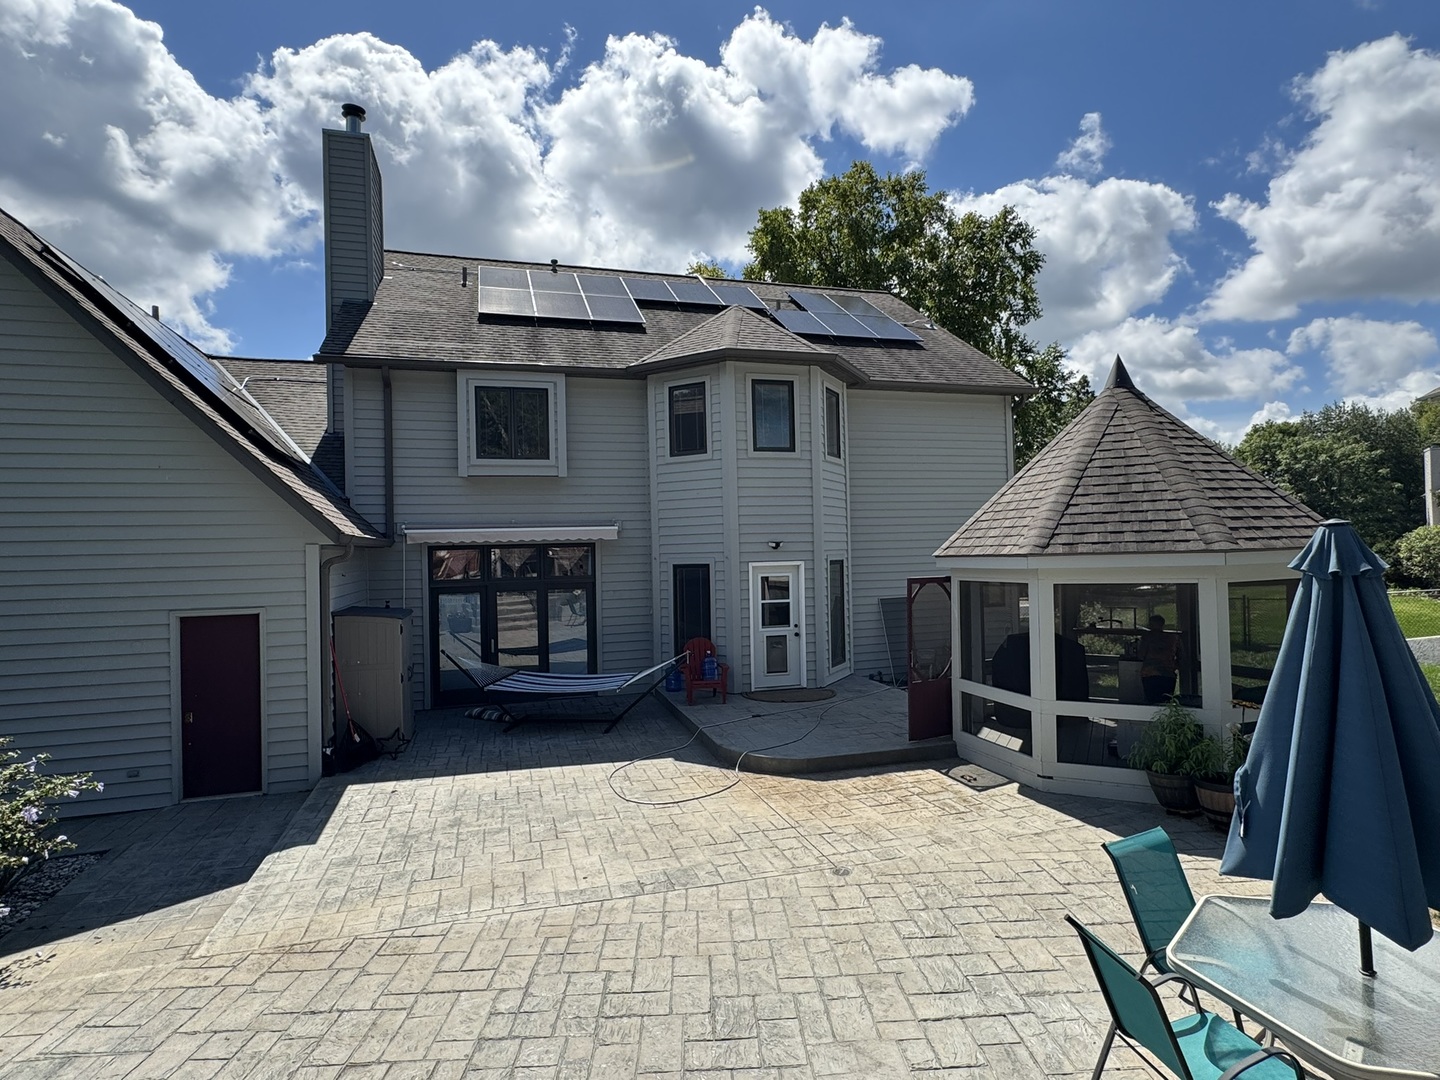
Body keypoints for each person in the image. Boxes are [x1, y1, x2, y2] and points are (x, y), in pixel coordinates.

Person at [1137, 614, 1179, 704]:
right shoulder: (1173, 638)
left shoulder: (1147, 637)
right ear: (1162, 624)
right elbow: (1182, 656)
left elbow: (1141, 655)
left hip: (1150, 673)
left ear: (1151, 624)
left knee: (1152, 701)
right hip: (1168, 674)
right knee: (1166, 701)